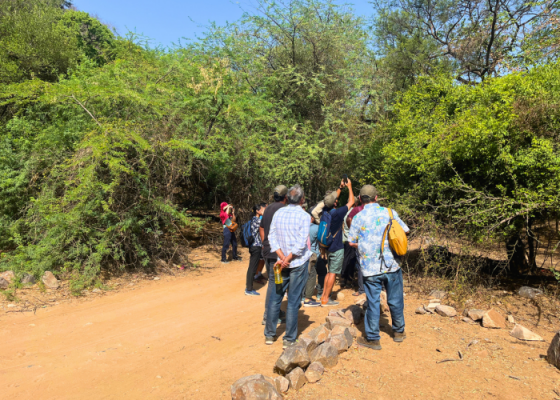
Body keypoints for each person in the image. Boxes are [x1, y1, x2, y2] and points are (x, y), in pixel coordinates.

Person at [348, 185, 410, 350]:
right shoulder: (390, 213)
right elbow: (405, 230)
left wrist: (364, 245)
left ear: (360, 199)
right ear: (376, 198)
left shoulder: (358, 217)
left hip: (369, 268)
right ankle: (398, 332)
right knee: (395, 299)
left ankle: (373, 338)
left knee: (373, 302)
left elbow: (351, 241)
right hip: (392, 264)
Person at [265, 184, 312, 348]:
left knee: (275, 297)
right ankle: (289, 339)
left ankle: (269, 335)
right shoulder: (304, 216)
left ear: (288, 198)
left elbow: (272, 237)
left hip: (280, 263)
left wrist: (281, 257)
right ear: (302, 199)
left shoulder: (279, 213)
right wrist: (288, 258)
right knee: (293, 301)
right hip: (297, 263)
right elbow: (301, 243)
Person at [320, 179, 355, 306]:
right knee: (333, 273)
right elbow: (351, 202)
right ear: (335, 202)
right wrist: (350, 187)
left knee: (329, 272)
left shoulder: (325, 210)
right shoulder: (338, 213)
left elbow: (331, 199)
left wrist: (340, 188)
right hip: (337, 247)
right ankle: (326, 299)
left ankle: (323, 295)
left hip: (328, 246)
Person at [260, 185, 288, 325]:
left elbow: (261, 227)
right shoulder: (283, 209)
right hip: (277, 253)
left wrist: (265, 243)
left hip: (268, 251)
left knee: (277, 282)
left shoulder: (268, 209)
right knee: (275, 281)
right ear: (286, 196)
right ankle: (268, 314)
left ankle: (275, 311)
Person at [344, 198, 366, 296]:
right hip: (374, 242)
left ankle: (361, 289)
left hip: (358, 240)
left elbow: (348, 219)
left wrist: (354, 233)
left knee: (360, 263)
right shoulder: (381, 210)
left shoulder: (356, 210)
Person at [245, 203, 267, 296]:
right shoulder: (257, 220)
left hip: (254, 246)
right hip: (256, 246)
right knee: (252, 267)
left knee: (252, 267)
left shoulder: (254, 220)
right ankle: (249, 289)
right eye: (262, 209)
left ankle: (249, 288)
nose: (264, 210)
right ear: (257, 211)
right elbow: (266, 225)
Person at [302, 214, 321, 307]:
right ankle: (308, 298)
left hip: (297, 256)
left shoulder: (299, 226)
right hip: (310, 254)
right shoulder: (316, 228)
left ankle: (300, 296)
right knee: (312, 275)